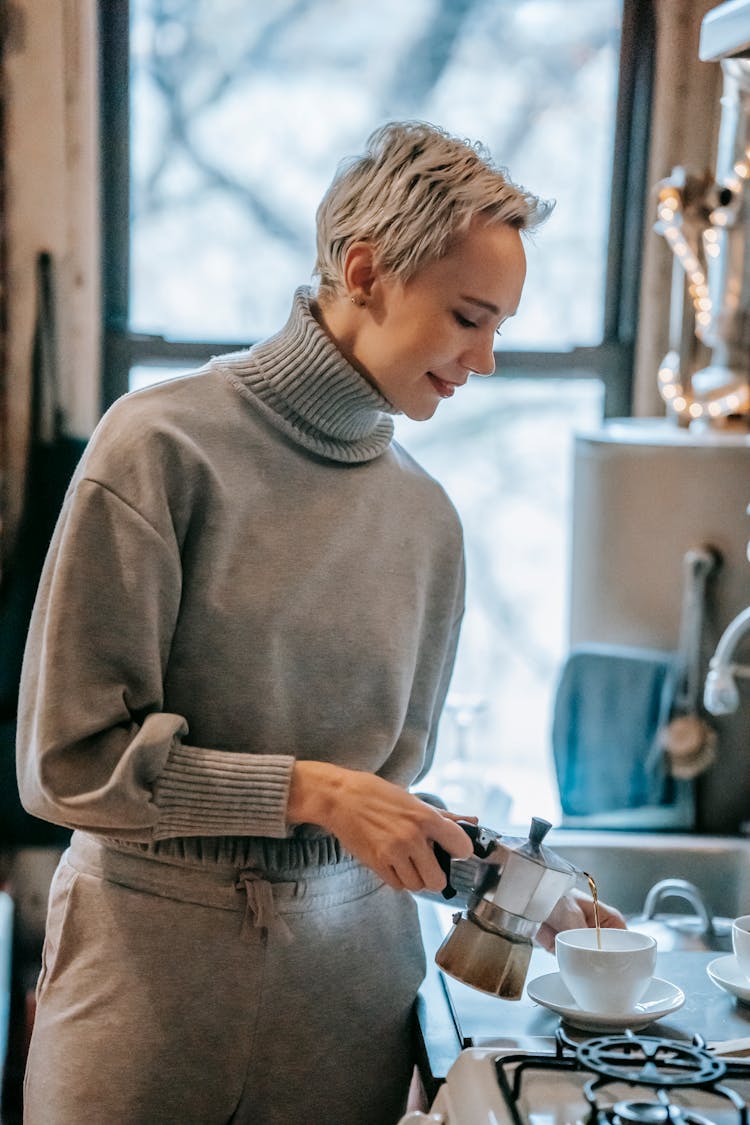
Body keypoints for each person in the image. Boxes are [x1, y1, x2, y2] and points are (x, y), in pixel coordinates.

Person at [17, 120, 624, 1125]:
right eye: (468, 316)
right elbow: (68, 765)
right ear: (365, 270)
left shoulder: (427, 519)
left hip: (350, 1015)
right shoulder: (159, 447)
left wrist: (515, 889)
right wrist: (312, 791)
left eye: (500, 329)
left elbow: (379, 806)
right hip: (148, 993)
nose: (485, 360)